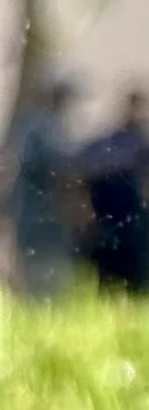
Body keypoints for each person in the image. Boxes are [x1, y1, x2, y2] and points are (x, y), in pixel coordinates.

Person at [82, 88, 149, 294]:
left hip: (133, 218)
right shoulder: (115, 144)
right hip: (114, 215)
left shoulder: (144, 145)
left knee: (136, 271)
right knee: (111, 269)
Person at [9, 74, 79, 299]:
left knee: (48, 280)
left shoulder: (42, 127)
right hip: (38, 221)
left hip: (44, 222)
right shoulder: (42, 129)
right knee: (41, 283)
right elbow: (57, 165)